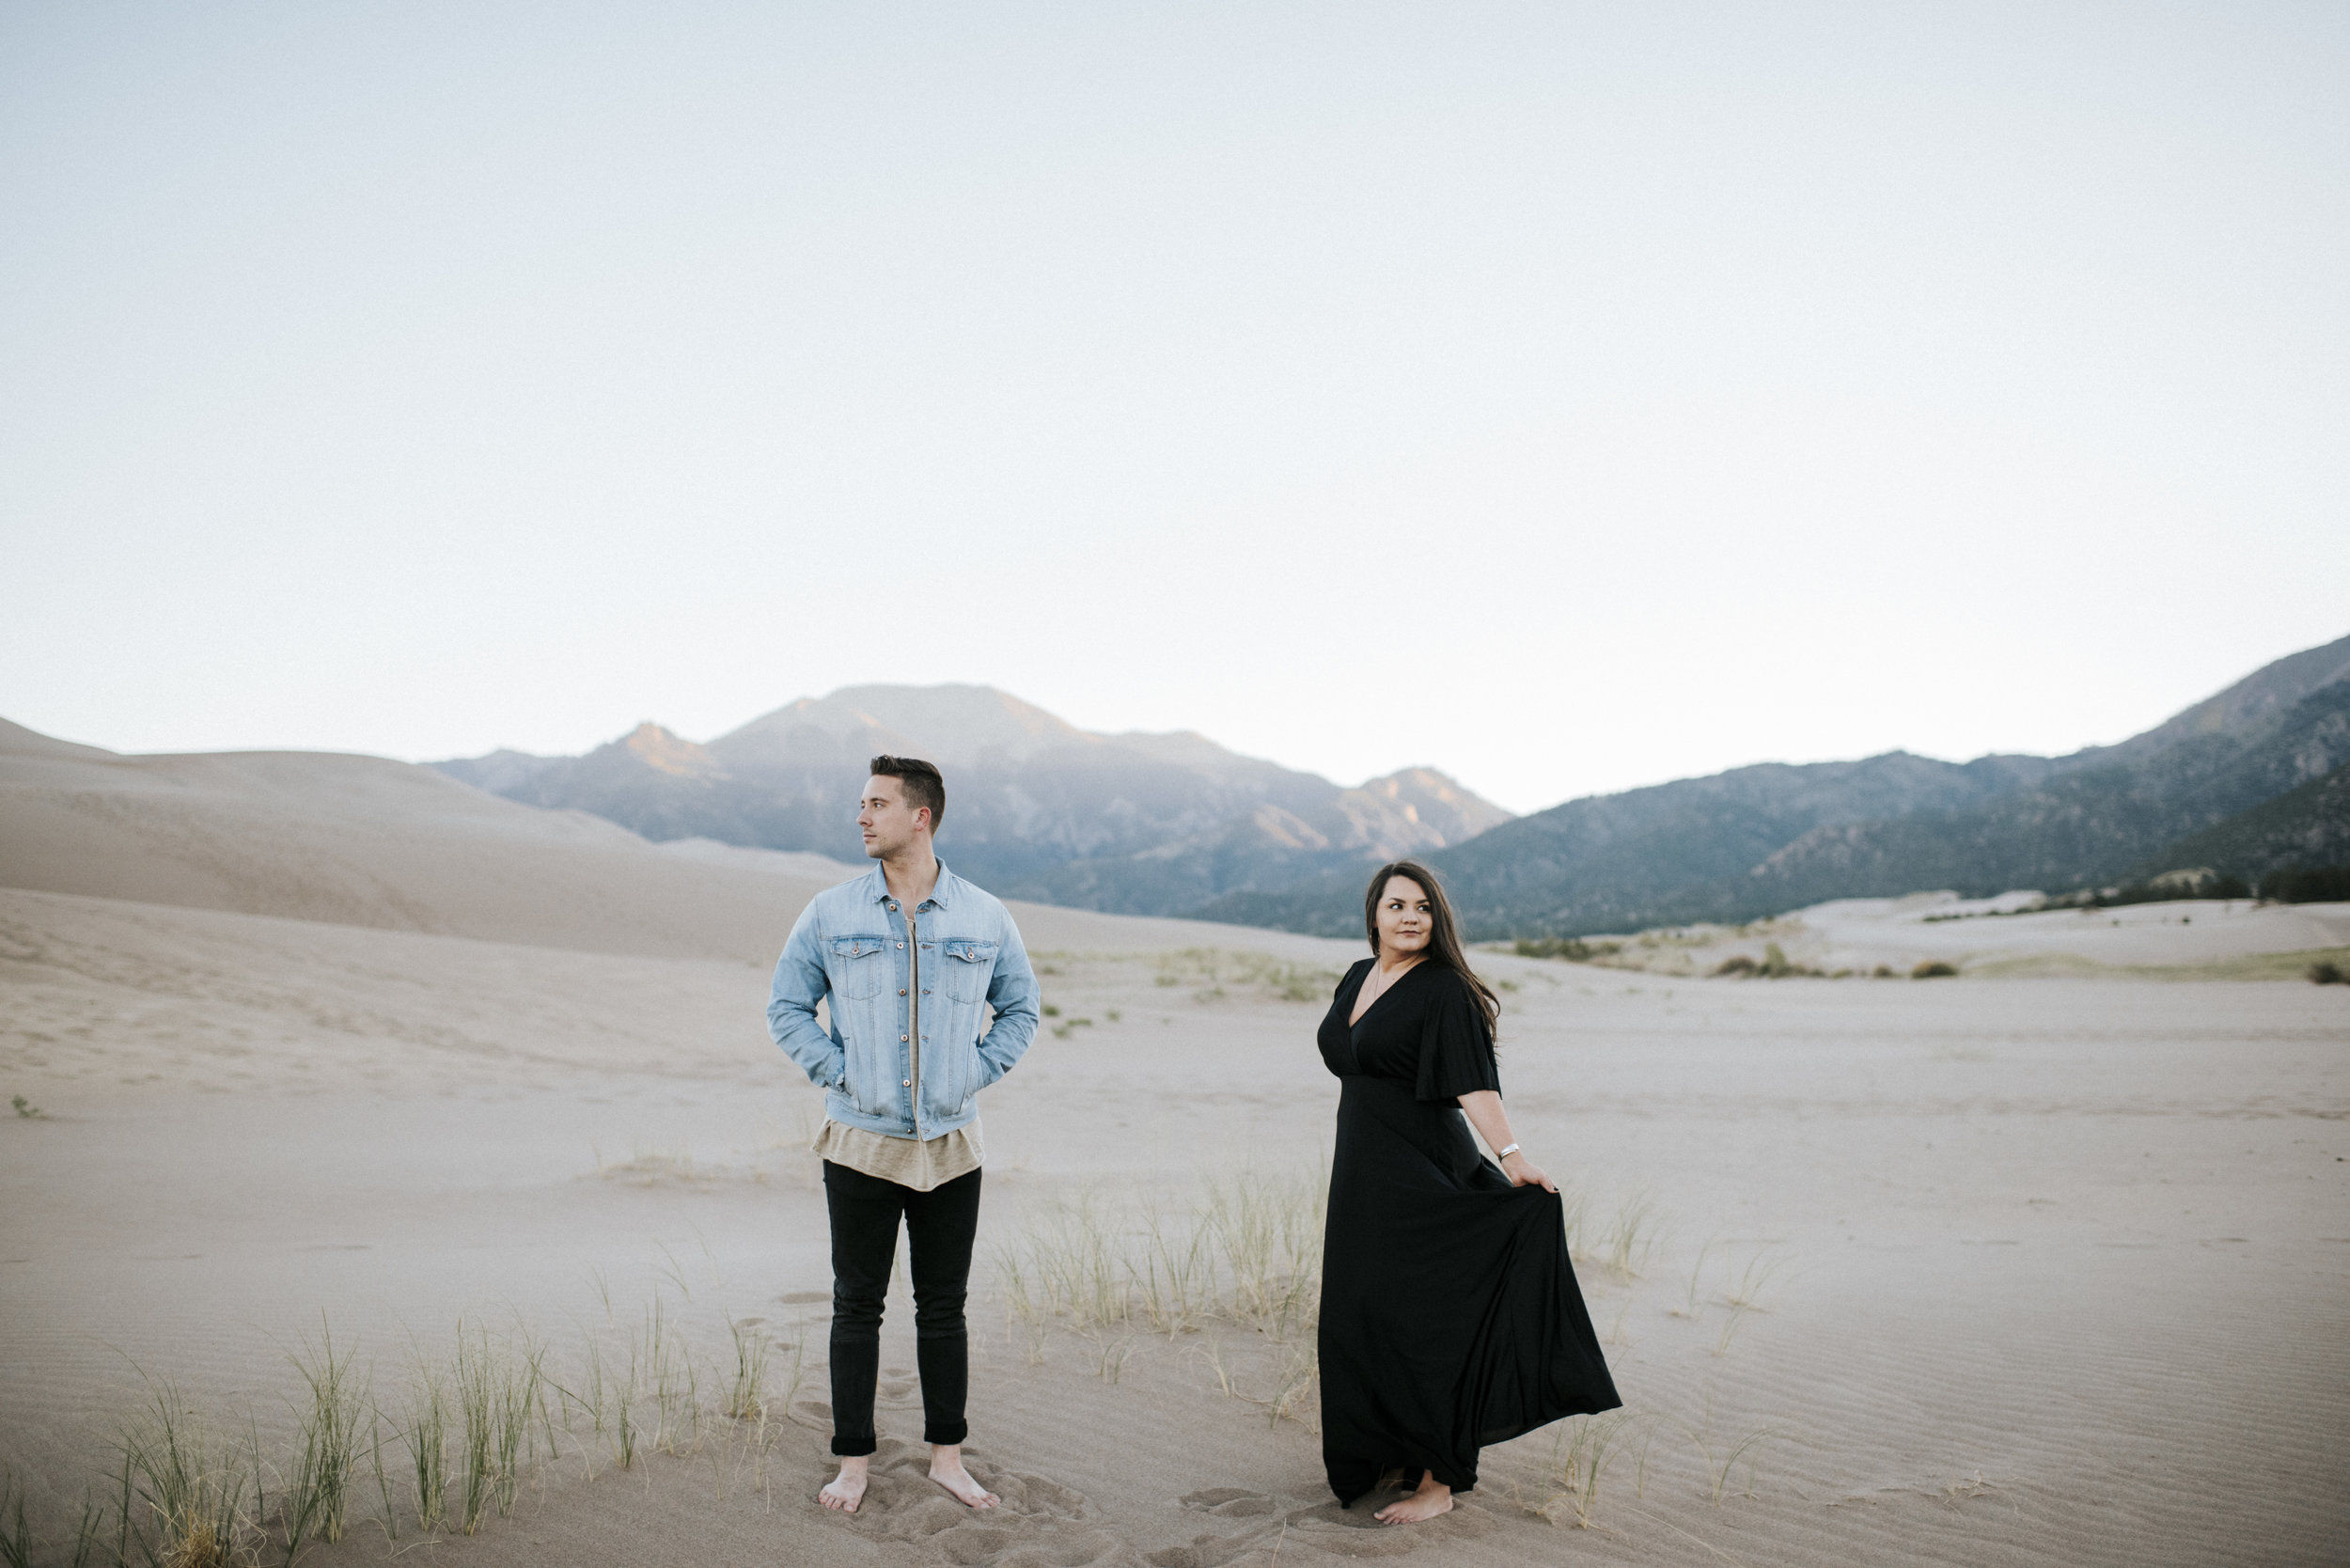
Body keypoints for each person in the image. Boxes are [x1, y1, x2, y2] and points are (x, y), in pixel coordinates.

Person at [766, 755, 1041, 1515]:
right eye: (861, 802)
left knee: (942, 1307)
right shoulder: (830, 912)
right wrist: (842, 1073)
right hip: (860, 1142)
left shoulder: (984, 916)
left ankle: (947, 1458)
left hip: (952, 1145)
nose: (861, 816)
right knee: (856, 1304)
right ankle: (852, 1463)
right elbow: (786, 1008)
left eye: (876, 804)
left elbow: (1021, 1008)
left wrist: (971, 1073)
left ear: (920, 817)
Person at [1315, 858, 1620, 1525]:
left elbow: (1472, 1084)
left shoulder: (1445, 990)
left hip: (1426, 1173)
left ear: (1438, 919)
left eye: (1423, 908)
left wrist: (1513, 1160)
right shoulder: (1356, 978)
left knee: (1428, 1323)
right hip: (1364, 1179)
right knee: (1361, 1313)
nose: (1410, 918)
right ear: (1374, 914)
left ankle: (1439, 1480)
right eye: (1397, 905)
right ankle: (1386, 1449)